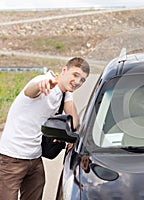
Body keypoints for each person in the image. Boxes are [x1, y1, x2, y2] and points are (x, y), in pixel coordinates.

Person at [0, 57, 90, 200]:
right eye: (75, 75)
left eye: (82, 80)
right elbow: (31, 91)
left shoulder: (64, 93)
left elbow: (73, 123)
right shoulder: (44, 81)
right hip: (12, 159)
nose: (78, 81)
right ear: (64, 70)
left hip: (35, 158)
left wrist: (69, 93)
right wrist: (41, 84)